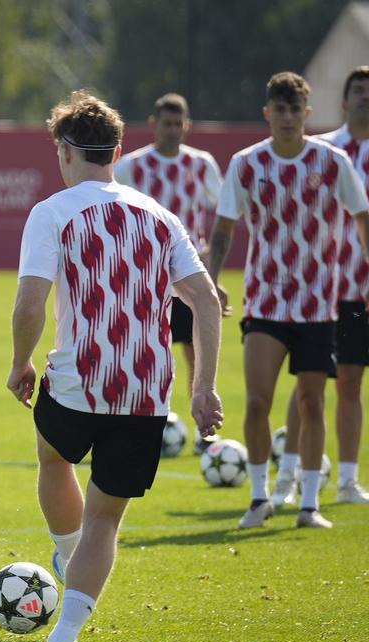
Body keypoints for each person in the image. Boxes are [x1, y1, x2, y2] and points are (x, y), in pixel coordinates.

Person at [8, 90, 223, 642]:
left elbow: (31, 304)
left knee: (53, 459)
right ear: (119, 151)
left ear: (62, 150)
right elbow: (206, 301)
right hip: (147, 393)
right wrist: (203, 387)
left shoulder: (52, 212)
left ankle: (64, 555)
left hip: (77, 383)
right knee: (106, 518)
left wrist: (19, 362)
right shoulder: (159, 215)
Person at [206, 72, 369, 530]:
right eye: (278, 109)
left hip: (317, 304)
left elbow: (365, 222)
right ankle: (260, 497)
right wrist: (213, 280)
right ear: (268, 113)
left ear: (307, 114)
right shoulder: (246, 164)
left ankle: (309, 504)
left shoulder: (331, 161)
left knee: (311, 401)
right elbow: (224, 230)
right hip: (265, 301)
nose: (286, 118)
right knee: (257, 402)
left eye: (294, 110)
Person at [273, 66, 369, 507]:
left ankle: (348, 482)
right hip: (316, 287)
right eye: (358, 89)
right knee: (308, 386)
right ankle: (286, 481)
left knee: (352, 383)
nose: (366, 96)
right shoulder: (321, 151)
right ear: (343, 101)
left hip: (360, 289)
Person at [115, 93, 224, 453]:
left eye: (179, 124)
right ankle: (138, 422)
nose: (173, 130)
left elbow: (221, 213)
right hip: (147, 277)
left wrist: (213, 267)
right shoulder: (132, 166)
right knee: (145, 350)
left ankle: (203, 426)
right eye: (167, 123)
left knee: (195, 349)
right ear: (153, 125)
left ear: (188, 126)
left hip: (189, 272)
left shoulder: (202, 164)